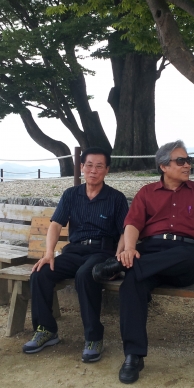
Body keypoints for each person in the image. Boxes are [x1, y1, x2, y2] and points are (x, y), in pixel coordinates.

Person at [92, 140, 194, 384]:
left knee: (184, 256)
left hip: (184, 259)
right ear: (164, 166)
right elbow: (132, 223)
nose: (188, 165)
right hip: (152, 252)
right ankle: (133, 356)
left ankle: (122, 265)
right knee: (132, 283)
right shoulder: (147, 193)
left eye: (188, 161)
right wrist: (130, 249)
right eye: (181, 161)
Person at [22, 147, 129, 363]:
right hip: (74, 250)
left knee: (85, 275)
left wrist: (117, 258)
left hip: (101, 251)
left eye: (99, 166)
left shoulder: (116, 198)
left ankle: (93, 337)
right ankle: (46, 330)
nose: (93, 171)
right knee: (41, 273)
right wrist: (49, 254)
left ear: (107, 170)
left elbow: (125, 230)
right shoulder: (71, 195)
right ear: (81, 167)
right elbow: (55, 224)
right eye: (89, 165)